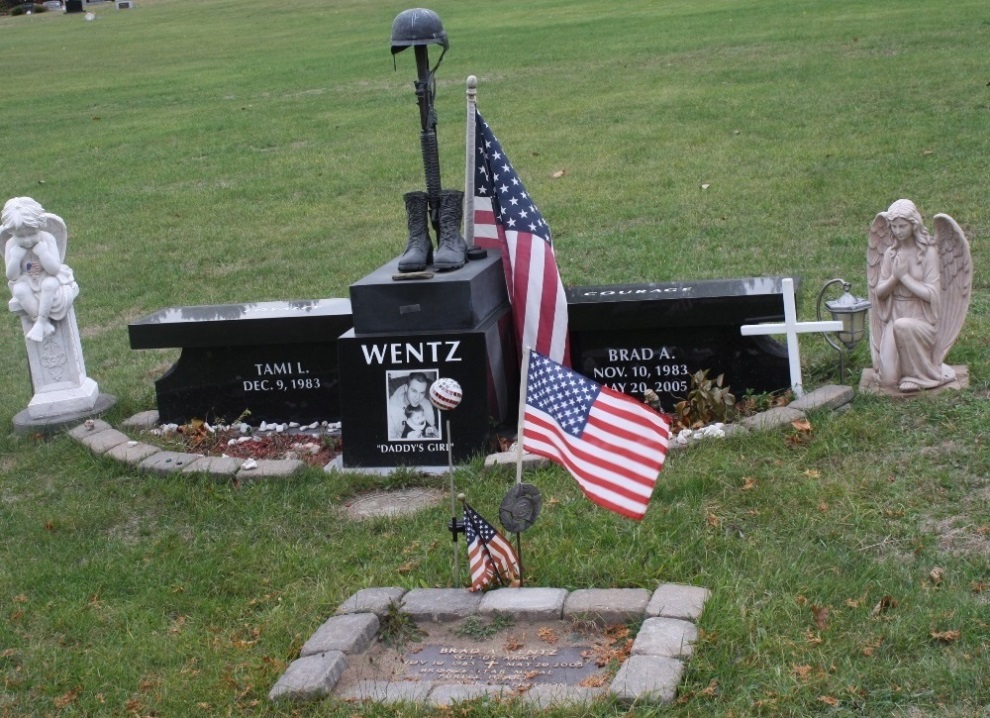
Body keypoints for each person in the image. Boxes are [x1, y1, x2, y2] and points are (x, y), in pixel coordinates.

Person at [869, 199, 955, 392]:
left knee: (903, 325)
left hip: (921, 321)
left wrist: (905, 277)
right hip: (895, 317)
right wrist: (894, 278)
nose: (898, 231)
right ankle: (906, 370)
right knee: (888, 380)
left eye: (903, 226)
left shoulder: (927, 253)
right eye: (894, 226)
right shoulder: (891, 254)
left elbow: (932, 294)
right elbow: (879, 293)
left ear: (913, 224)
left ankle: (921, 377)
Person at [3, 197, 78, 343]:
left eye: (32, 234)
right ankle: (38, 320)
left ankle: (41, 322)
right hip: (26, 279)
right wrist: (15, 259)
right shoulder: (11, 245)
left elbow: (54, 269)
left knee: (49, 285)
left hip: (48, 276)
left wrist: (43, 253)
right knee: (19, 290)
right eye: (20, 236)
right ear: (11, 232)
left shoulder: (47, 239)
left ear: (40, 227)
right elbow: (12, 276)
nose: (27, 240)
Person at [387, 371, 438, 439]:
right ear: (406, 388)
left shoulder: (427, 404)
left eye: (422, 393)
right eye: (414, 391)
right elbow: (391, 441)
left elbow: (432, 430)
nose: (418, 397)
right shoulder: (390, 408)